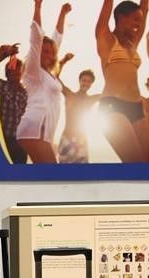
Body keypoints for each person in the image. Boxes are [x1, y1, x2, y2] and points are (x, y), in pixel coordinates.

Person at [19, 1, 72, 164]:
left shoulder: (49, 73)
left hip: (43, 129)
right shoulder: (33, 71)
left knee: (46, 175)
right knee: (52, 173)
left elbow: (57, 38)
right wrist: (38, 7)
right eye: (44, 50)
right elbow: (36, 38)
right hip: (35, 126)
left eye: (51, 51)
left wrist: (63, 14)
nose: (48, 54)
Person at [96, 0, 149, 162]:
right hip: (113, 107)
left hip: (138, 109)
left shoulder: (133, 43)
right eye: (135, 19)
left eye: (140, 21)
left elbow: (145, 7)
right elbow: (106, 8)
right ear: (121, 18)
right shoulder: (106, 39)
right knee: (136, 165)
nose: (139, 25)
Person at [58, 59, 101, 162]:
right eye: (84, 80)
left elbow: (110, 93)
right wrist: (63, 62)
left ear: (91, 84)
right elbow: (55, 77)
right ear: (79, 80)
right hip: (66, 139)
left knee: (83, 174)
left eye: (89, 81)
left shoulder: (91, 99)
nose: (86, 83)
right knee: (63, 173)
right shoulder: (69, 95)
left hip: (81, 141)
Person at [0, 44, 29, 163]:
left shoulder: (25, 93)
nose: (16, 73)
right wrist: (4, 55)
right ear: (7, 73)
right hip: (0, 140)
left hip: (18, 143)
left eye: (19, 70)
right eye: (12, 70)